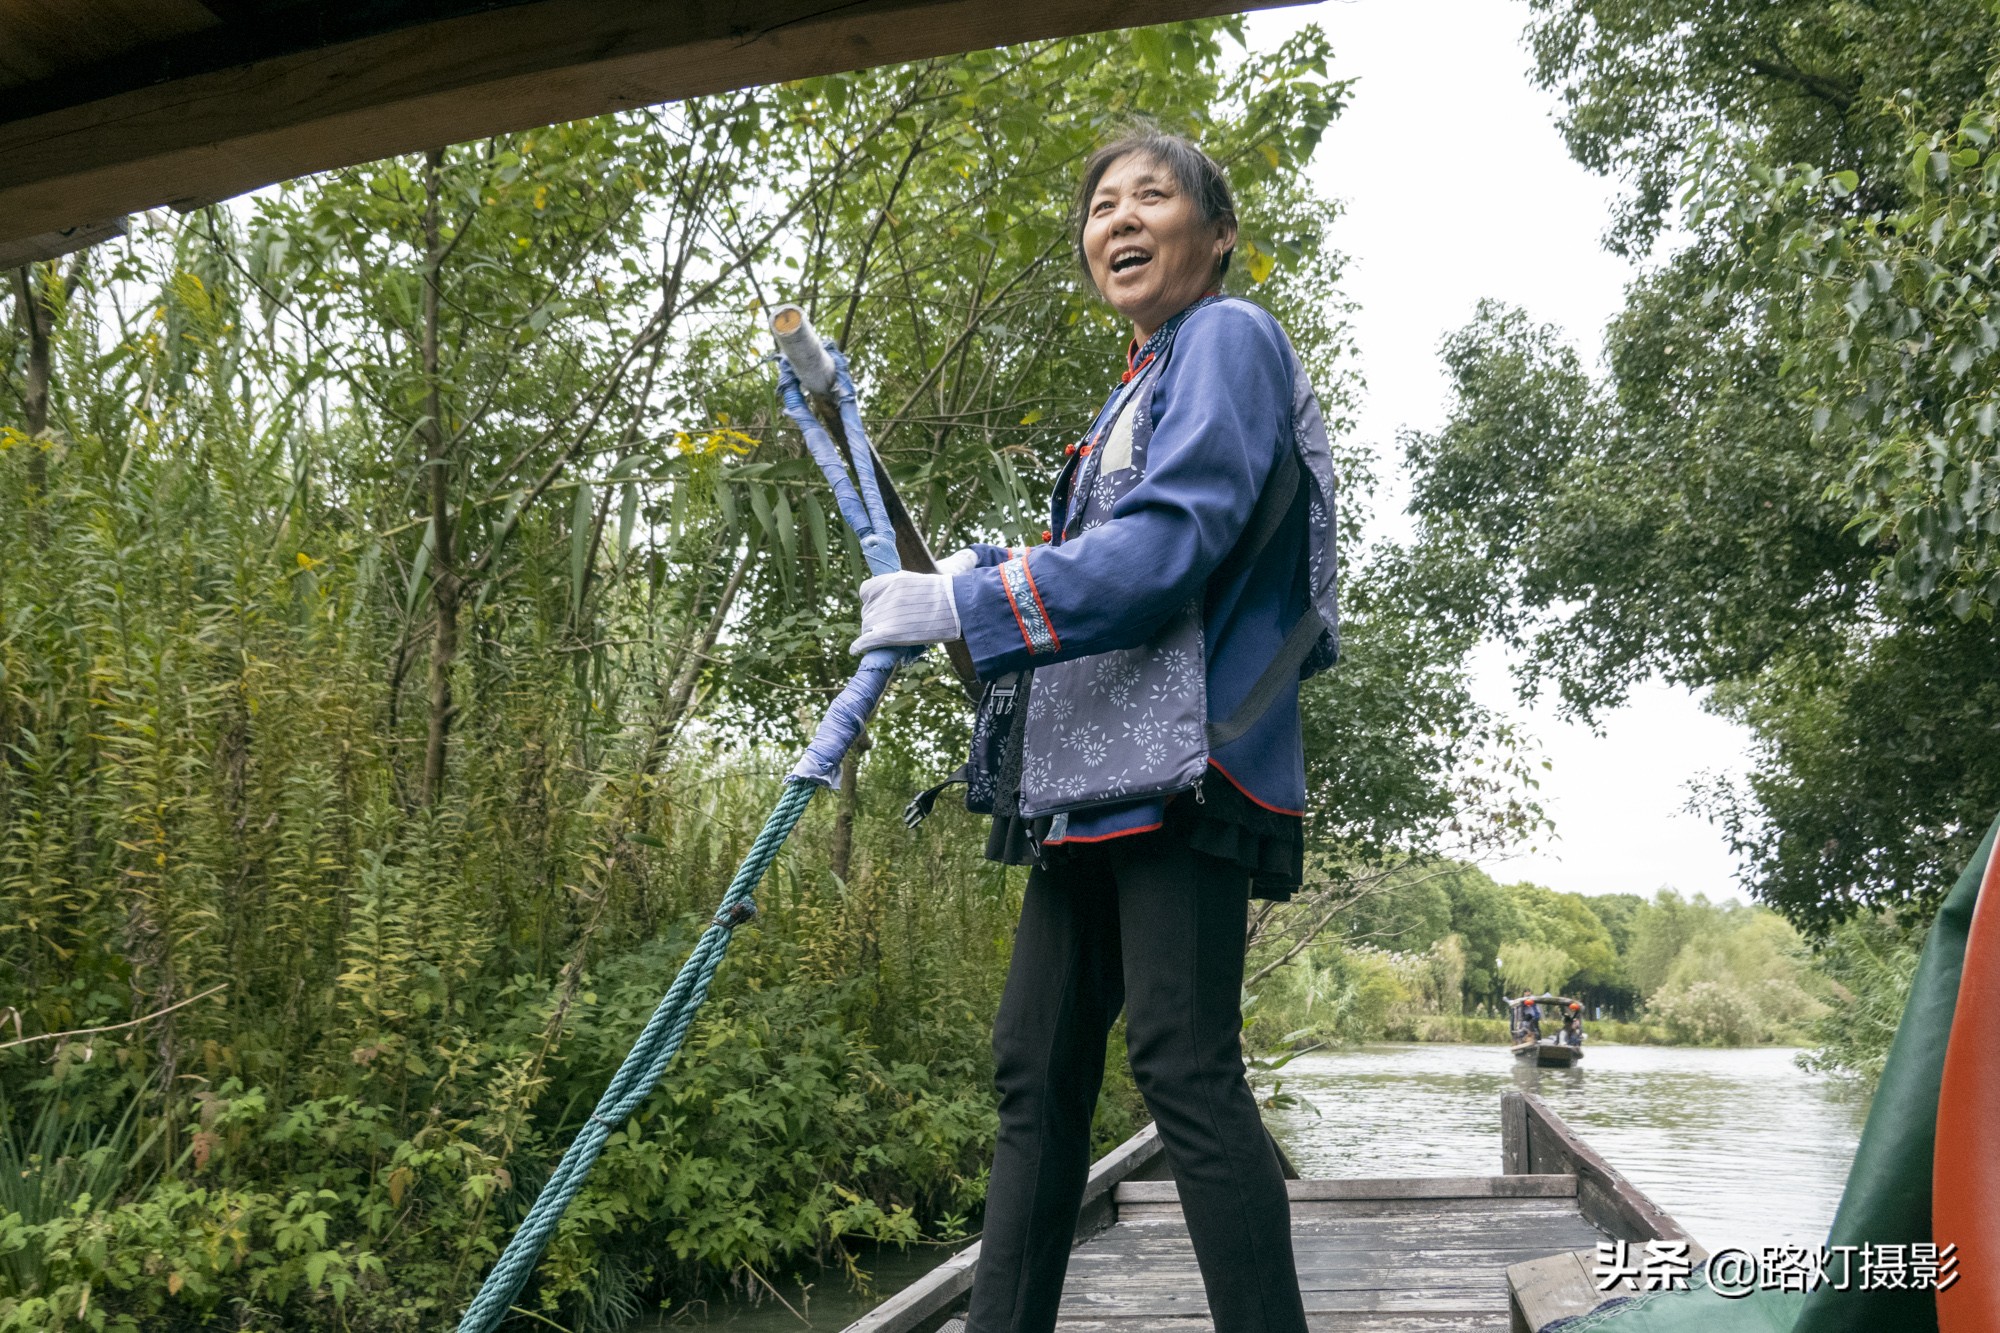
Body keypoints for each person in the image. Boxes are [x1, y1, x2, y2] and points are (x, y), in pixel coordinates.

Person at [848, 127, 1339, 1333]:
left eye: (1151, 197)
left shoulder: (1226, 337)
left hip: (1185, 764)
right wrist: (987, 576)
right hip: (1095, 774)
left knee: (1181, 1065)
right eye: (1099, 205)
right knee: (1034, 1073)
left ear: (1214, 235)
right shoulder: (1135, 383)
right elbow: (1095, 565)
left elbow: (1170, 542)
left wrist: (968, 597)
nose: (1117, 219)